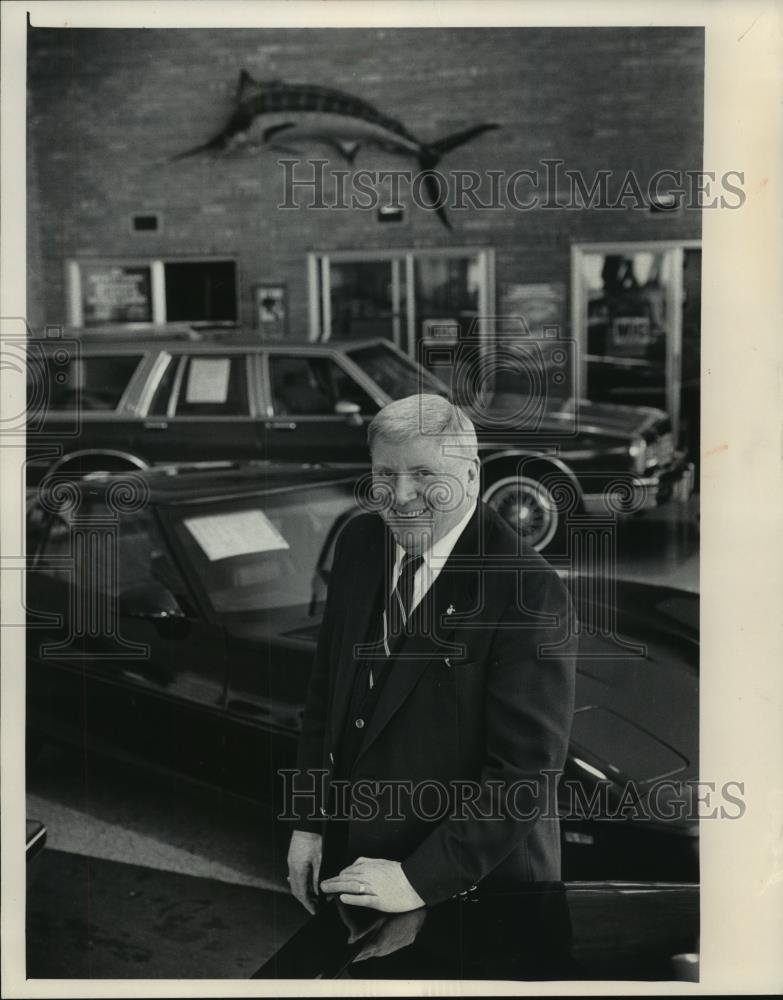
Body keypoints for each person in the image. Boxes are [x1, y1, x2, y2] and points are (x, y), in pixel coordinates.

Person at [286, 393, 576, 914]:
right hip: (358, 867)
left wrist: (418, 880)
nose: (400, 495)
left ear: (472, 476)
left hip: (472, 885)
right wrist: (309, 822)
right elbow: (324, 695)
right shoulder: (359, 542)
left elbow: (525, 772)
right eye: (384, 474)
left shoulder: (525, 586)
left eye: (423, 473)